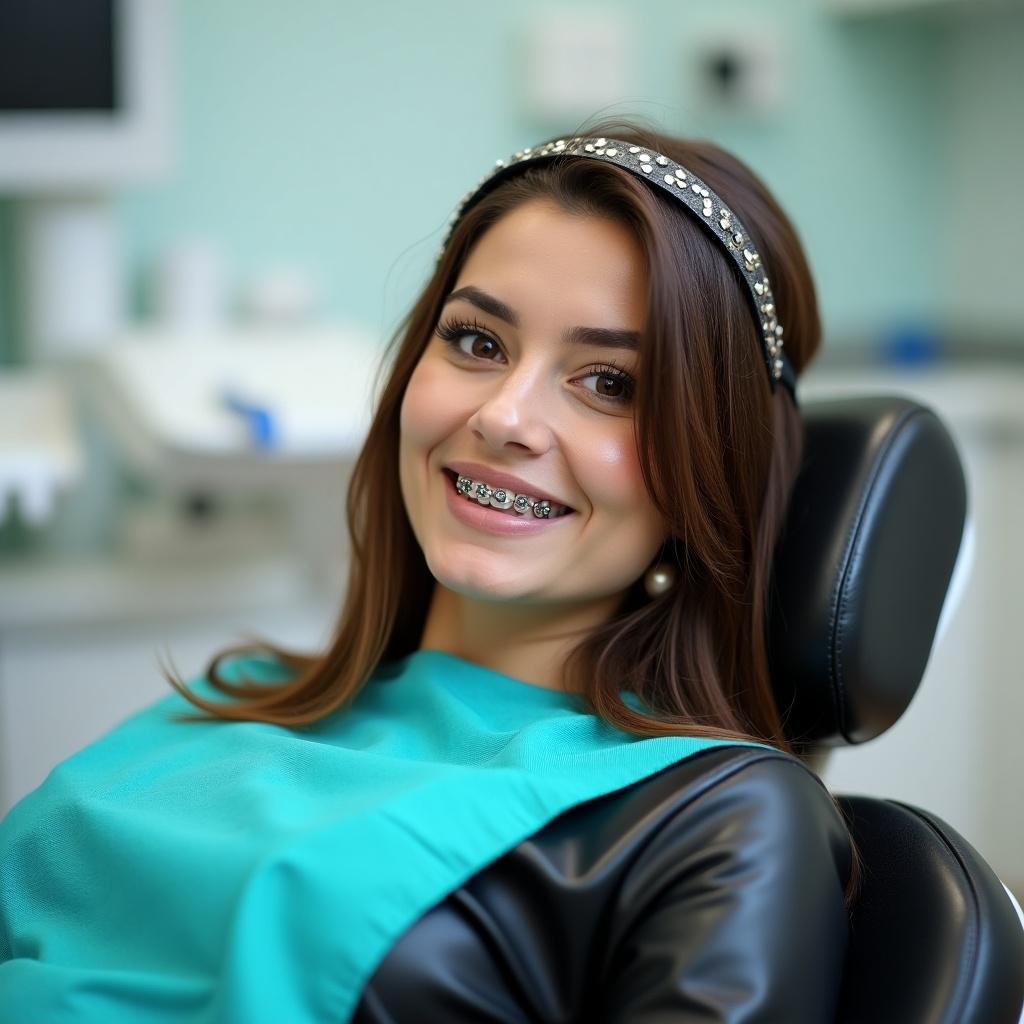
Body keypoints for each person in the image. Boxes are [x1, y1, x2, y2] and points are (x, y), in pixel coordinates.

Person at [0, 120, 857, 1022]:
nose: (505, 416)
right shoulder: (235, 697)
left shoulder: (720, 819)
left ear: (712, 468)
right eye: (479, 343)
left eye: (611, 383)